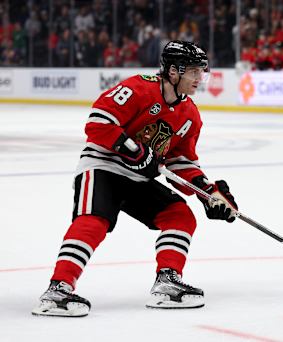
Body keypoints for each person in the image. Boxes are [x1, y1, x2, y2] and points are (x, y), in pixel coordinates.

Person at [31, 40, 238, 317]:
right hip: (103, 165)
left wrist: (207, 191)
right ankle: (58, 289)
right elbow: (98, 123)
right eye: (194, 72)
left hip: (137, 177)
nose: (200, 78)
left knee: (179, 216)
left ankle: (167, 282)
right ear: (174, 72)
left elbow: (180, 163)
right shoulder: (138, 88)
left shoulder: (190, 116)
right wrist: (136, 151)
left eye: (202, 72)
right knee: (94, 220)